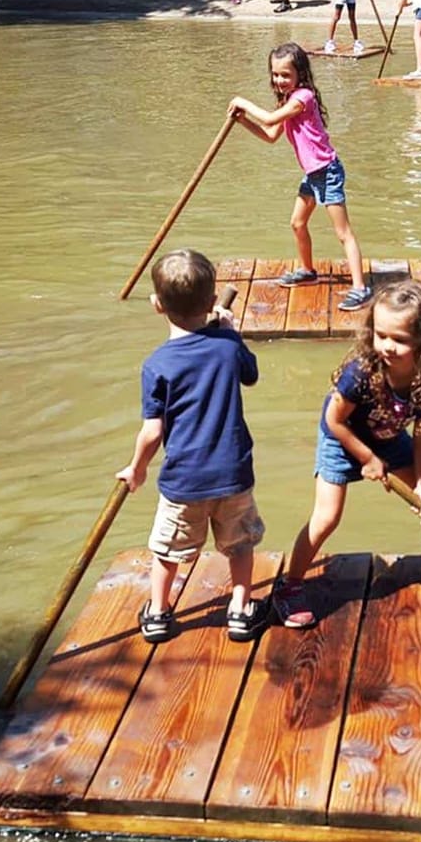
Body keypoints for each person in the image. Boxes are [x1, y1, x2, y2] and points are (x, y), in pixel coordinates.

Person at [271, 280, 421, 628]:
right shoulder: (361, 373)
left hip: (388, 437)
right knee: (327, 517)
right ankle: (289, 585)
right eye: (381, 335)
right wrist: (367, 459)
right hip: (343, 440)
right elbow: (334, 420)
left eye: (399, 339)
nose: (387, 346)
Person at [116, 249, 269, 645]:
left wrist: (136, 468)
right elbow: (250, 376)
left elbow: (152, 432)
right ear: (211, 302)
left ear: (156, 305)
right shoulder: (227, 346)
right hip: (234, 473)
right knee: (239, 545)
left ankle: (159, 612)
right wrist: (231, 331)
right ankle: (239, 610)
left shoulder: (157, 364)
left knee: (167, 551)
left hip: (183, 480)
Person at [228, 43, 371, 310]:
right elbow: (270, 135)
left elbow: (269, 120)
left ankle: (361, 288)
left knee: (343, 233)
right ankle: (308, 271)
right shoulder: (287, 101)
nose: (279, 80)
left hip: (327, 172)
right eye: (275, 75)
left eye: (285, 75)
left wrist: (242, 102)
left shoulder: (302, 98)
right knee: (297, 223)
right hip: (312, 175)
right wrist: (242, 120)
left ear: (299, 75)